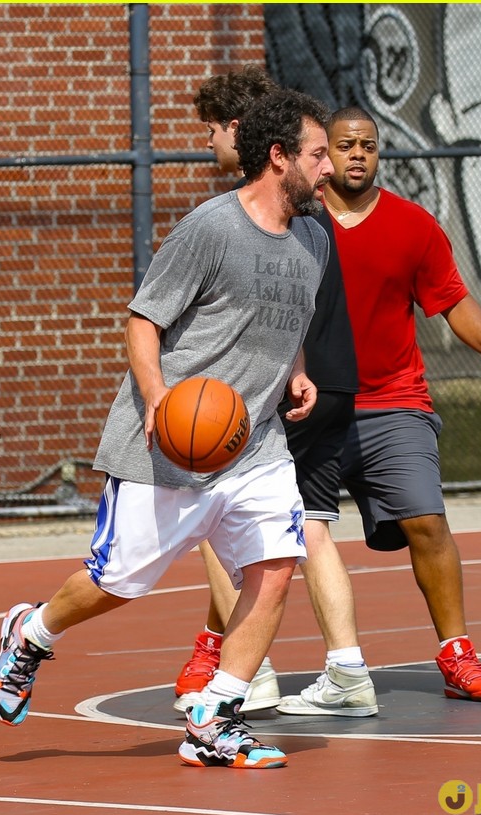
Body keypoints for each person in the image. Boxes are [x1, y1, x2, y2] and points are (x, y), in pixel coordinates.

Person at [0, 88, 335, 769]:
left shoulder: (314, 240)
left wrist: (296, 370)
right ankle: (31, 633)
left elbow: (287, 319)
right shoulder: (211, 228)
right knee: (116, 582)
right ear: (277, 157)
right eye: (317, 154)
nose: (327, 168)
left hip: (255, 443)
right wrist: (156, 397)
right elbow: (144, 319)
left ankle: (215, 715)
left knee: (276, 568)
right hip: (174, 444)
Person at [173, 68, 378, 719]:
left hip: (278, 394)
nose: (208, 143)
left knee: (210, 511)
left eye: (213, 130)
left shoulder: (252, 213)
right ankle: (347, 670)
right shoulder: (312, 209)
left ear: (242, 132)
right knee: (308, 527)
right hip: (336, 376)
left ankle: (249, 670)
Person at [320, 106, 481, 701]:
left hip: (393, 403)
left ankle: (458, 656)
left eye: (369, 146)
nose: (358, 154)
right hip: (308, 409)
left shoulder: (413, 225)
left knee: (428, 522)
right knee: (259, 535)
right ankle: (215, 654)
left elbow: (452, 299)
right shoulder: (296, 221)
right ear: (323, 152)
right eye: (346, 144)